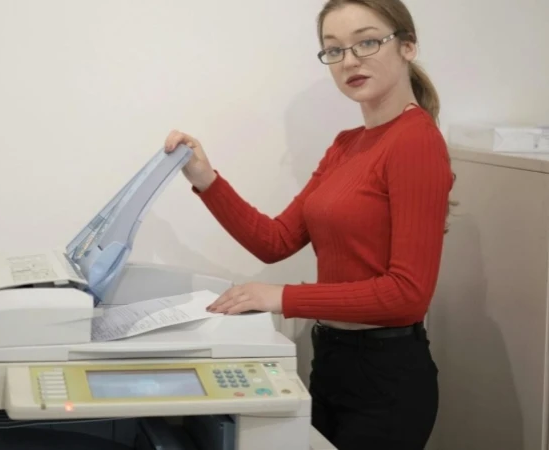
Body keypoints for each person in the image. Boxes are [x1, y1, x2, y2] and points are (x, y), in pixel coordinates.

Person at [164, 0, 454, 448]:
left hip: (386, 378)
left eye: (367, 41)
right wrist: (205, 177)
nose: (350, 60)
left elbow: (407, 295)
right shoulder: (347, 144)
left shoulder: (415, 141)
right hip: (333, 361)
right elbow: (275, 240)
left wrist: (280, 296)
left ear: (408, 47)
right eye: (334, 50)